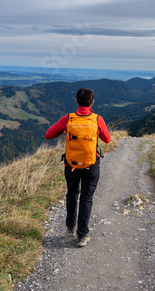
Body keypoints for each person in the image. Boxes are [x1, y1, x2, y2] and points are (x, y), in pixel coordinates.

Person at [45, 88, 111, 247]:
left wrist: (67, 132)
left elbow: (48, 135)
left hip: (71, 165)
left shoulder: (68, 119)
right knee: (86, 199)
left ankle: (69, 228)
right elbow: (107, 139)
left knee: (72, 193)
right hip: (91, 165)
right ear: (92, 102)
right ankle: (82, 236)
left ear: (76, 101)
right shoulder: (97, 119)